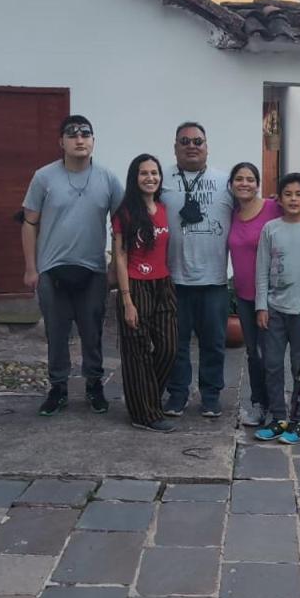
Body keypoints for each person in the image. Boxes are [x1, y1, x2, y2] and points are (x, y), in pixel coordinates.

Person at [21, 115, 124, 417]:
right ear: (61, 142)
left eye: (86, 134)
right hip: (52, 270)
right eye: (72, 134)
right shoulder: (44, 177)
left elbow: (122, 226)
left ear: (93, 141)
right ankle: (58, 388)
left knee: (92, 332)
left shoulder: (108, 178)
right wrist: (31, 267)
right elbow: (29, 223)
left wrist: (116, 269)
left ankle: (94, 385)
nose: (79, 139)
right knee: (57, 332)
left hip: (92, 271)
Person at [159, 122, 235, 418]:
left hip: (214, 279)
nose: (192, 146)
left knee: (214, 343)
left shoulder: (225, 181)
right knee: (174, 344)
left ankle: (211, 396)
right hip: (173, 279)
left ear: (207, 146)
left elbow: (255, 208)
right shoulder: (160, 178)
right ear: (175, 146)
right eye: (185, 141)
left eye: (198, 141)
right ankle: (177, 394)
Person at [254, 173, 300, 445]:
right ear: (280, 199)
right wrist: (261, 306)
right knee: (272, 364)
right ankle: (277, 417)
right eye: (288, 194)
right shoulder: (270, 229)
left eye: (299, 194)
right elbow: (261, 270)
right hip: (274, 311)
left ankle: (296, 420)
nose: (293, 199)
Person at [112, 154, 177, 433]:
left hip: (163, 284)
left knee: (168, 348)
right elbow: (121, 256)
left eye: (154, 173)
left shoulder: (163, 208)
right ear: (134, 178)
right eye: (144, 173)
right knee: (137, 352)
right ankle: (144, 414)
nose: (150, 178)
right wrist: (127, 300)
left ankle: (145, 399)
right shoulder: (124, 212)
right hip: (135, 286)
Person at [227, 162, 282, 427]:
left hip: (272, 296)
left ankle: (276, 408)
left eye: (250, 179)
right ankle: (259, 404)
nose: (245, 183)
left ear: (258, 184)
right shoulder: (231, 213)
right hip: (245, 296)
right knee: (253, 353)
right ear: (231, 184)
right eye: (239, 179)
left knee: (271, 355)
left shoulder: (274, 207)